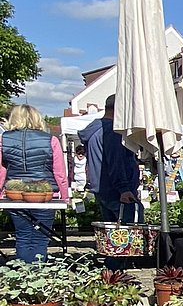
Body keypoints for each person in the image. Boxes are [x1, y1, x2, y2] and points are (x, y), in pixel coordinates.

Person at [0, 105, 69, 261]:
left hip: (15, 195)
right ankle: (38, 270)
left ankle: (23, 270)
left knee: (22, 235)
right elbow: (59, 172)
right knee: (41, 237)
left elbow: (1, 171)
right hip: (44, 194)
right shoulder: (51, 140)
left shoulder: (3, 140)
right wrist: (65, 197)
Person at [79, 96, 140, 224]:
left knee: (111, 233)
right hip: (119, 193)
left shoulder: (95, 131)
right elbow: (116, 162)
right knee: (131, 232)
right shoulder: (113, 131)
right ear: (119, 109)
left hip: (103, 191)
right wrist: (123, 189)